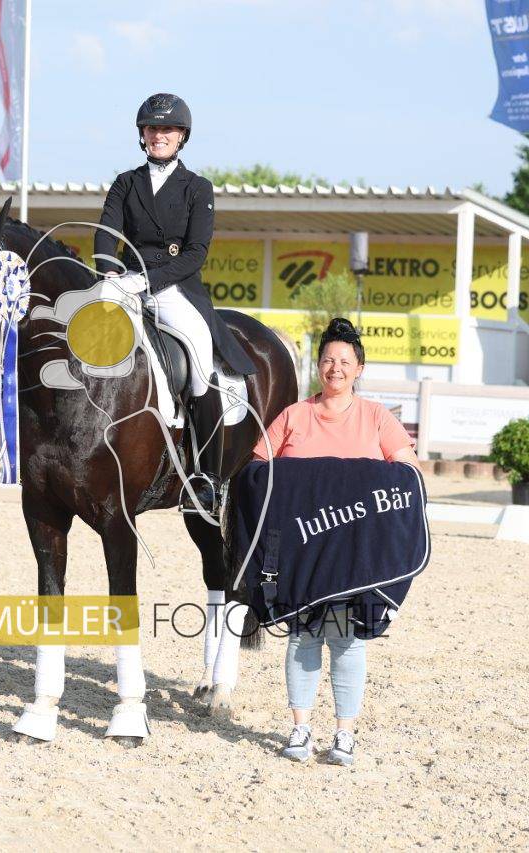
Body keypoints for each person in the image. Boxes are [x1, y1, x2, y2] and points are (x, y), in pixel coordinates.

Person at [252, 317, 418, 767]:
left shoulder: (376, 418)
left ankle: (344, 733)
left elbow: (409, 473)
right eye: (328, 359)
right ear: (318, 366)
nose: (335, 368)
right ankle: (300, 727)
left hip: (353, 556)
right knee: (302, 637)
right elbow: (256, 471)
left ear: (359, 368)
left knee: (346, 640)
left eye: (345, 361)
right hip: (301, 552)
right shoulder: (293, 416)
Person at [93, 92, 256, 517]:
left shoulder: (197, 188)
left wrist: (147, 281)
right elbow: (107, 233)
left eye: (167, 129)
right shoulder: (125, 183)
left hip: (172, 289)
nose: (158, 135)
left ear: (181, 136)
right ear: (142, 134)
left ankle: (207, 477)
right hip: (124, 283)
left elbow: (195, 252)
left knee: (201, 363)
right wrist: (108, 273)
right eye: (152, 128)